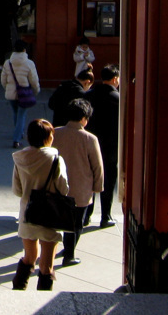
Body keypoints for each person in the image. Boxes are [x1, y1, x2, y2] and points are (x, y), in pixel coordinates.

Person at [11, 119, 70, 291]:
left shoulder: (20, 158)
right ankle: (42, 298)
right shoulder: (55, 159)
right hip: (50, 215)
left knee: (29, 257)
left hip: (27, 214)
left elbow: (17, 190)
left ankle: (19, 289)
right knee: (47, 266)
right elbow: (63, 188)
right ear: (48, 137)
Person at [53, 99, 104, 266]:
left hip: (58, 186)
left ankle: (67, 249)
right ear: (84, 118)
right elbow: (97, 166)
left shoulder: (55, 133)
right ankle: (69, 254)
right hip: (81, 188)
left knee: (64, 222)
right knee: (77, 224)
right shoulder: (90, 139)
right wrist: (98, 187)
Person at [84, 64, 121, 227]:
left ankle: (86, 215)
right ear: (115, 79)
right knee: (109, 180)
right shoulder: (117, 98)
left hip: (91, 143)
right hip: (111, 146)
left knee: (89, 179)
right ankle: (105, 216)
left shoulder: (90, 95)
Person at [1, 40, 40, 148]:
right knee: (21, 115)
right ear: (24, 50)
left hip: (11, 93)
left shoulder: (7, 63)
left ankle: (18, 132)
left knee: (16, 113)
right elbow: (34, 80)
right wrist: (36, 90)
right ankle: (16, 138)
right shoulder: (29, 63)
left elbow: (3, 79)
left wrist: (7, 88)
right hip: (24, 93)